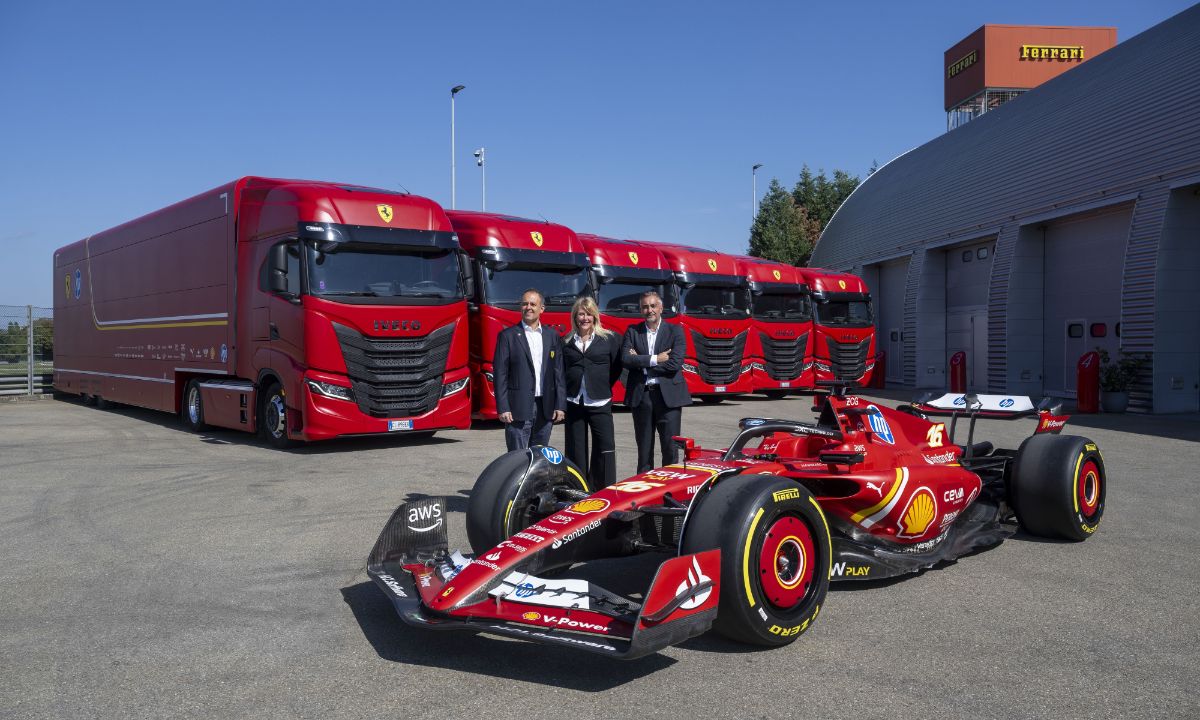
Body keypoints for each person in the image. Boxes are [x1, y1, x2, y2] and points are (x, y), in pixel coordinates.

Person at [621, 290, 692, 472]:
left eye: (653, 306)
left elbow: (675, 363)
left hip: (669, 398)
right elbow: (626, 360)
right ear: (640, 310)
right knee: (644, 451)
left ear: (661, 308)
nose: (649, 310)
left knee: (670, 450)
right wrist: (655, 359)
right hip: (642, 396)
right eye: (645, 307)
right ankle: (644, 494)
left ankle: (669, 492)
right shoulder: (632, 331)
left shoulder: (675, 331)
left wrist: (642, 361)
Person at [493, 289, 566, 451]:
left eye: (533, 304)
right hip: (517, 408)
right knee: (516, 457)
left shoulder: (552, 336)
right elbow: (500, 374)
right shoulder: (508, 336)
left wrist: (560, 405)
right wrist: (503, 407)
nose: (528, 307)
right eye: (525, 304)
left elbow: (558, 372)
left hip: (545, 407)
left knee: (540, 457)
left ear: (542, 309)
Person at [562, 296, 622, 487]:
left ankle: (602, 488)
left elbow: (617, 367)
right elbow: (562, 370)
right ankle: (578, 488)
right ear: (575, 317)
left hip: (600, 402)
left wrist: (603, 383)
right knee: (575, 449)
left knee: (604, 448)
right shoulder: (566, 341)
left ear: (595, 316)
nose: (585, 318)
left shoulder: (609, 339)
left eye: (588, 314)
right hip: (574, 402)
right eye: (581, 314)